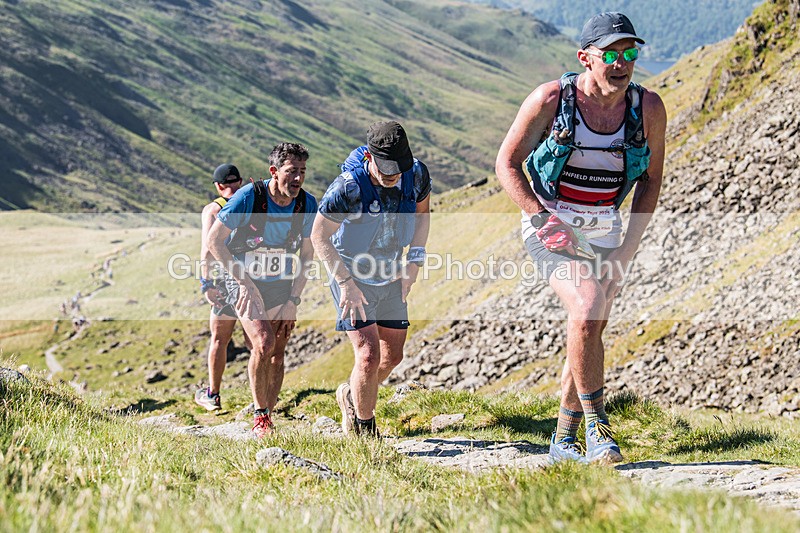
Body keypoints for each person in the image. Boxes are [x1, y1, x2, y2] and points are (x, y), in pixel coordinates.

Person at [495, 12, 666, 464]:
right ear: (585, 58)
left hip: (606, 227)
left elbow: (650, 180)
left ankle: (562, 440)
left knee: (588, 327)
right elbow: (506, 164)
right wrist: (538, 218)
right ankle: (598, 430)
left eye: (630, 52)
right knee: (588, 308)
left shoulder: (647, 108)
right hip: (553, 223)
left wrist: (628, 248)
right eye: (611, 53)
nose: (622, 62)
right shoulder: (552, 99)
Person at [311, 120, 431, 437]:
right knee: (368, 355)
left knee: (393, 356)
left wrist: (413, 265)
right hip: (353, 276)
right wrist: (346, 285)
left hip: (392, 273)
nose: (393, 176)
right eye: (386, 170)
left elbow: (422, 215)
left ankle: (353, 394)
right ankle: (365, 429)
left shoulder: (416, 174)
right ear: (369, 158)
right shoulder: (347, 188)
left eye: (398, 169)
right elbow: (319, 236)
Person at [206, 143, 318, 437]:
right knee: (263, 343)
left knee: (278, 351)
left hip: (280, 281)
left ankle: (268, 412)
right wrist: (242, 281)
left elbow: (307, 255)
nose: (298, 178)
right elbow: (214, 241)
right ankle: (260, 416)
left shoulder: (306, 204)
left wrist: (295, 298)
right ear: (274, 171)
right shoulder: (249, 197)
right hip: (241, 278)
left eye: (302, 172)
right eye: (291, 171)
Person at [194, 163, 251, 412]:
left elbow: (208, 249)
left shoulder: (213, 209)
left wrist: (206, 284)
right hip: (252, 279)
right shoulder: (250, 201)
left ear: (218, 186)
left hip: (224, 281)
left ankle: (213, 394)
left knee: (219, 339)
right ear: (239, 181)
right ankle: (265, 395)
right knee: (256, 341)